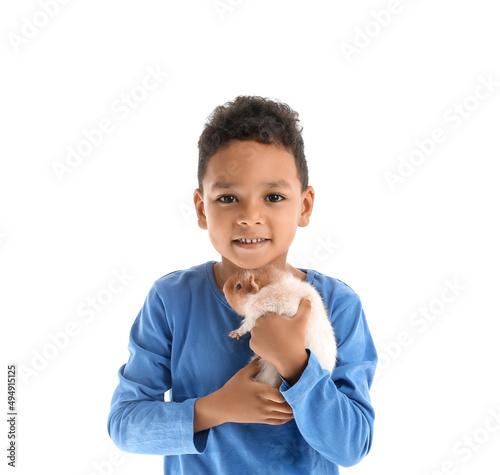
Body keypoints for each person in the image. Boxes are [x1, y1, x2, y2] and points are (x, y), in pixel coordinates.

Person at [107, 95, 378, 474]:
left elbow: (351, 446)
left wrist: (295, 365)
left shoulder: (338, 303)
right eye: (229, 197)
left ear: (304, 206)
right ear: (202, 209)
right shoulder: (172, 299)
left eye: (274, 197)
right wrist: (217, 407)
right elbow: (125, 426)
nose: (251, 216)